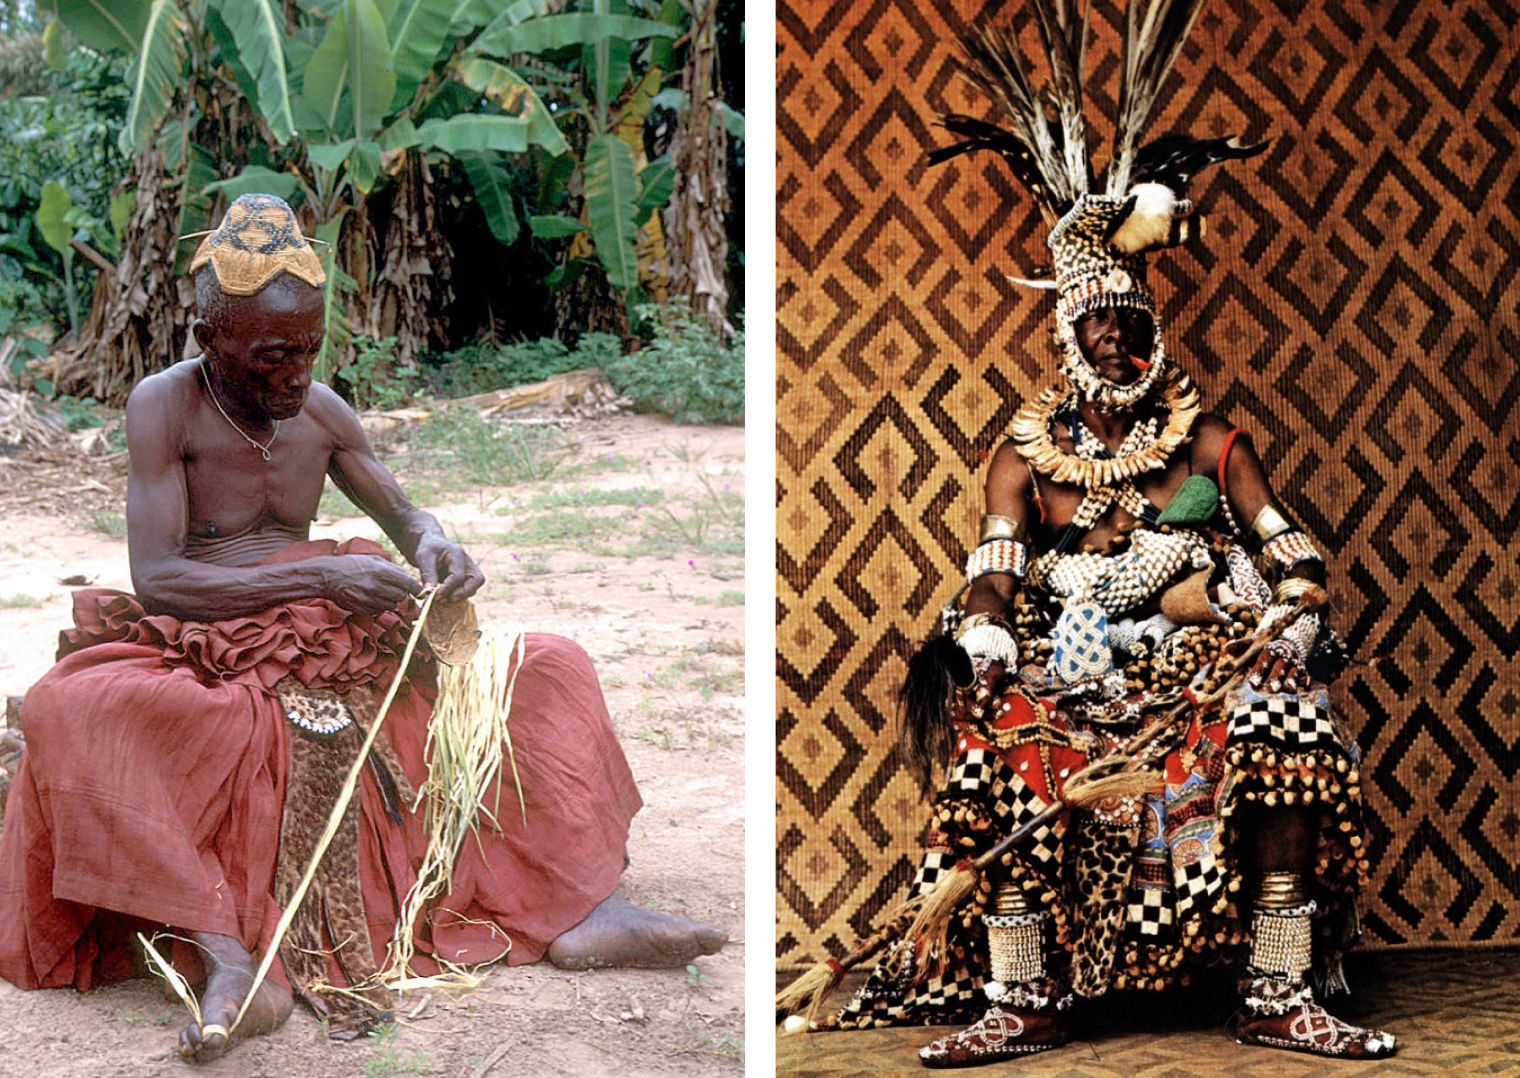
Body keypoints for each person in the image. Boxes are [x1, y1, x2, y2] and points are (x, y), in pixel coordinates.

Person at [784, 13, 1395, 1066]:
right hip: (1074, 662)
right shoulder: (1023, 454)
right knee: (994, 731)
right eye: (1096, 328)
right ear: (1066, 340)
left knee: (1287, 721)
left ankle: (1276, 985)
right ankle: (1020, 998)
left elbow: (1284, 545)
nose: (1116, 340)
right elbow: (992, 570)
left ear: (1156, 335)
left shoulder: (1209, 442)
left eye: (1133, 326)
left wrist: (1291, 601)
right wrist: (980, 639)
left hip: (1205, 659)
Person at [0, 194, 724, 1063]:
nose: (297, 377)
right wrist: (320, 571)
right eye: (273, 356)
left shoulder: (322, 409)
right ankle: (231, 957)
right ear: (209, 338)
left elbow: (406, 513)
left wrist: (437, 545)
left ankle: (577, 906)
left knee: (550, 668)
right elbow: (158, 576)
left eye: (309, 350)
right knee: (75, 710)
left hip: (335, 620)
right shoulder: (164, 407)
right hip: (209, 625)